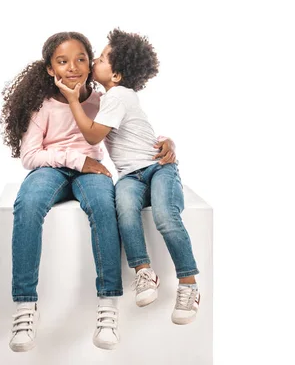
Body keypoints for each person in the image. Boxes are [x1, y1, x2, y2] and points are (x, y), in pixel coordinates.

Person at [0, 31, 177, 351]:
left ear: (91, 63)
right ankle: (25, 306)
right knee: (27, 204)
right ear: (50, 69)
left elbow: (133, 128)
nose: (73, 67)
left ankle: (108, 304)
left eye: (82, 59)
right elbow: (30, 156)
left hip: (91, 173)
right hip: (51, 169)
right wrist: (76, 159)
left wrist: (165, 142)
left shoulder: (103, 99)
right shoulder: (42, 105)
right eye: (62, 61)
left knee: (105, 207)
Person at [55, 28, 201, 325]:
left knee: (165, 216)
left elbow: (93, 136)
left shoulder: (118, 96)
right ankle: (144, 272)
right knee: (125, 211)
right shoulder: (110, 96)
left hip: (157, 167)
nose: (95, 60)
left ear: (118, 75)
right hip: (130, 176)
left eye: (103, 58)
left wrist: (71, 101)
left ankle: (189, 284)